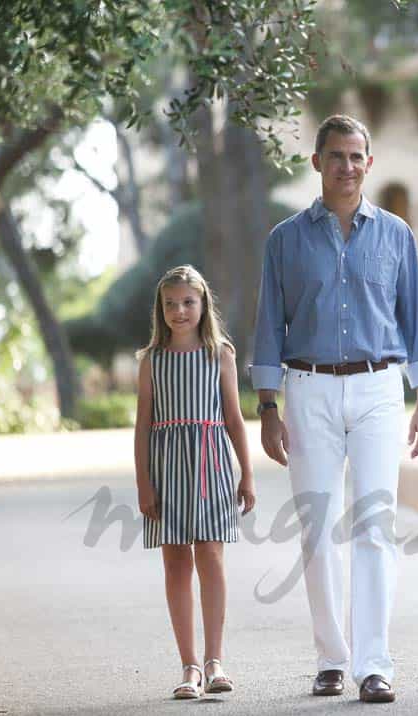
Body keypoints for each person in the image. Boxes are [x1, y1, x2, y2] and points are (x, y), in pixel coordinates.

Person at [250, 114, 418, 704]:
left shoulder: (397, 234)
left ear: (369, 163)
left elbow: (416, 319)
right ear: (318, 163)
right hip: (308, 389)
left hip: (381, 389)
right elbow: (267, 324)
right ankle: (331, 657)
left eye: (357, 157)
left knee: (375, 525)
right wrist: (267, 406)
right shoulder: (285, 239)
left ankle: (373, 663)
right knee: (316, 526)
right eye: (337, 156)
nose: (347, 167)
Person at [134, 264, 256, 700]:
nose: (179, 311)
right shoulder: (151, 360)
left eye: (187, 302)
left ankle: (215, 659)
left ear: (203, 305)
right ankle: (188, 666)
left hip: (211, 466)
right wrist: (144, 484)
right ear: (160, 309)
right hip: (166, 467)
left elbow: (235, 419)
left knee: (211, 557)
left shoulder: (220, 353)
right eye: (170, 304)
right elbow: (143, 424)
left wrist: (247, 474)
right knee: (176, 563)